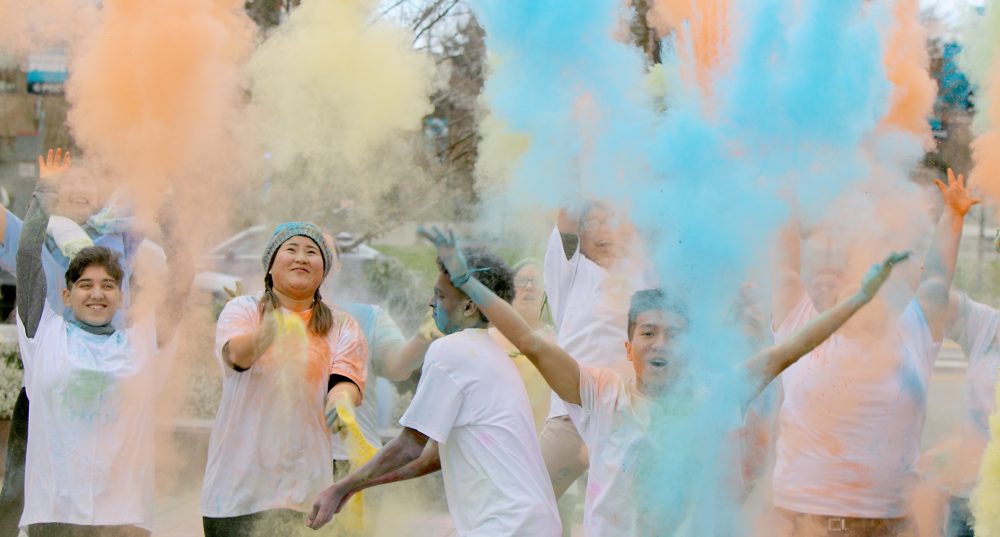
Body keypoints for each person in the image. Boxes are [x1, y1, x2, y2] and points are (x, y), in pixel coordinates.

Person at [418, 225, 908, 536]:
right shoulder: (603, 393)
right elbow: (530, 340)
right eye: (648, 333)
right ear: (628, 348)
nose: (660, 343)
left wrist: (858, 301)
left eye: (673, 334)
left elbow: (785, 352)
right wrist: (467, 283)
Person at [770, 169, 977, 535]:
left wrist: (953, 215)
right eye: (858, 288)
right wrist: (784, 197)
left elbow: (936, 280)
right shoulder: (802, 328)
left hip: (891, 526)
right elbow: (785, 268)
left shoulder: (912, 332)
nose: (868, 295)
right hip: (802, 524)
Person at [307, 245, 561, 536]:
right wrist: (355, 487)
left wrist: (341, 488)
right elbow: (431, 457)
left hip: (506, 524)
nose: (431, 303)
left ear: (468, 306)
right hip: (532, 520)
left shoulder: (450, 350)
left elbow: (410, 445)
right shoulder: (490, 351)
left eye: (440, 296)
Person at [15, 157, 190, 536]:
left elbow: (181, 280)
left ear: (122, 296)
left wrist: (167, 211)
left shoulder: (142, 343)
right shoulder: (45, 336)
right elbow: (27, 259)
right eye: (86, 285)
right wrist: (44, 192)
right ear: (66, 293)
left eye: (108, 285)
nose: (97, 294)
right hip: (55, 512)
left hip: (122, 517)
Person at [0, 149, 141, 536]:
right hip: (52, 375)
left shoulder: (120, 231)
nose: (80, 187)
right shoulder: (37, 228)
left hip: (109, 375)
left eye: (88, 179)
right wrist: (43, 191)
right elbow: (25, 254)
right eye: (71, 180)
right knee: (24, 488)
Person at [201, 222, 369, 537]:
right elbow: (237, 355)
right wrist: (266, 333)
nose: (301, 258)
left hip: (305, 493)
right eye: (291, 250)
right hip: (237, 493)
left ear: (324, 270)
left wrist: (342, 401)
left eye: (311, 253)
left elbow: (344, 381)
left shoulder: (342, 325)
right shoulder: (243, 309)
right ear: (270, 266)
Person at [541, 203, 654, 503]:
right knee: (529, 501)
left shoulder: (642, 276)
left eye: (613, 220)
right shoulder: (571, 268)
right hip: (572, 415)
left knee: (631, 516)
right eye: (593, 222)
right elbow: (566, 208)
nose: (604, 230)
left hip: (627, 419)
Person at [489, 258, 553, 431]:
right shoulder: (488, 339)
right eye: (521, 281)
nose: (529, 287)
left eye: (537, 282)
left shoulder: (559, 340)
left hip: (545, 441)